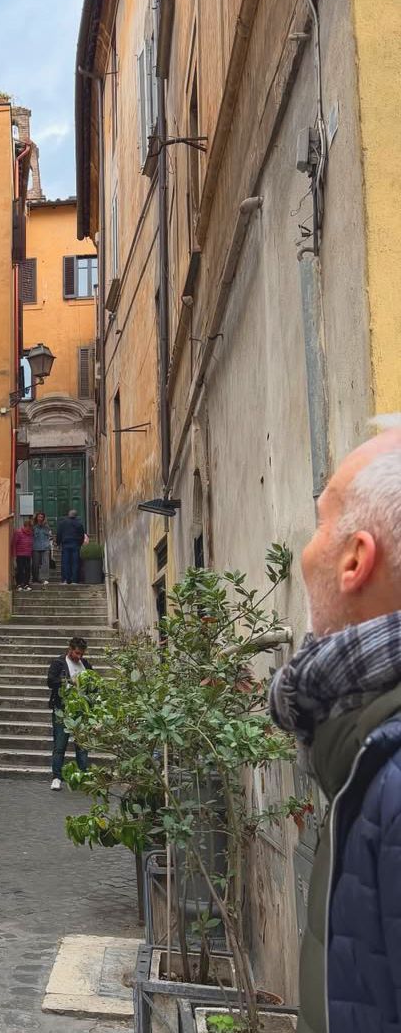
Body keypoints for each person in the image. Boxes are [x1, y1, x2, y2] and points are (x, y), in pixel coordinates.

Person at [268, 429, 401, 1033]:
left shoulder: (393, 779)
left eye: (320, 524)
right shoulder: (367, 750)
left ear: (356, 560)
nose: (306, 550)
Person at [48, 636, 92, 790]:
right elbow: (50, 681)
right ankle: (56, 777)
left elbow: (93, 682)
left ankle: (82, 775)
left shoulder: (85, 664)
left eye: (81, 654)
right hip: (63, 709)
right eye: (77, 653)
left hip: (81, 709)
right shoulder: (59, 663)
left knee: (82, 746)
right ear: (70, 650)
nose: (79, 657)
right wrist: (66, 681)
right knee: (60, 745)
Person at [56, 508, 87, 585]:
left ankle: (66, 580)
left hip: (66, 544)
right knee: (75, 562)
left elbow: (59, 533)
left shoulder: (62, 523)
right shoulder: (79, 524)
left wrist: (58, 543)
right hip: (75, 544)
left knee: (65, 562)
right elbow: (81, 535)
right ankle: (74, 580)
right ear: (76, 516)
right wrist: (80, 543)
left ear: (68, 515)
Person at [13, 519, 34, 591]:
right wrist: (14, 554)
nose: (30, 529)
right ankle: (19, 584)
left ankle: (26, 584)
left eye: (31, 528)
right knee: (20, 569)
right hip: (20, 554)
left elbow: (31, 543)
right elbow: (14, 543)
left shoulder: (31, 534)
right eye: (29, 527)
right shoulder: (18, 532)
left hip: (28, 554)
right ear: (25, 526)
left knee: (28, 569)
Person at [32, 511, 53, 584]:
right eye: (39, 517)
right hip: (35, 547)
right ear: (36, 518)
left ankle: (44, 578)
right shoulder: (33, 527)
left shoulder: (47, 527)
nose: (40, 518)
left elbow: (50, 536)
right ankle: (35, 578)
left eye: (42, 517)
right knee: (35, 563)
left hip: (45, 547)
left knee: (45, 564)